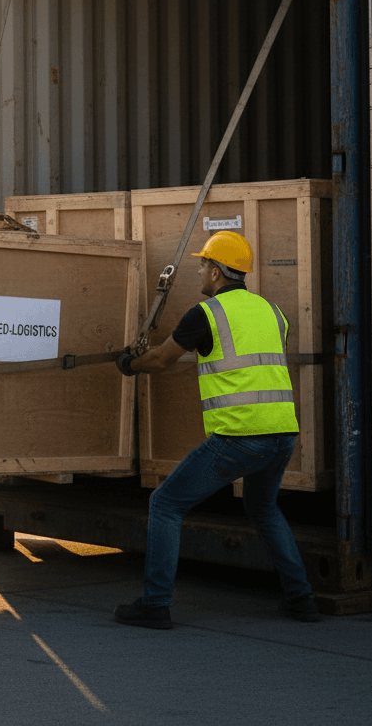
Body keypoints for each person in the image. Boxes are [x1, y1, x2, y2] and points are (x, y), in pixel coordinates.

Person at [113, 230, 320, 629]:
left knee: (166, 504)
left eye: (204, 264)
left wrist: (129, 364)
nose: (200, 271)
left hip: (239, 438)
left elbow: (160, 360)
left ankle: (155, 604)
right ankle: (302, 599)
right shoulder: (273, 312)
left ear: (219, 272)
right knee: (263, 508)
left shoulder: (205, 315)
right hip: (282, 435)